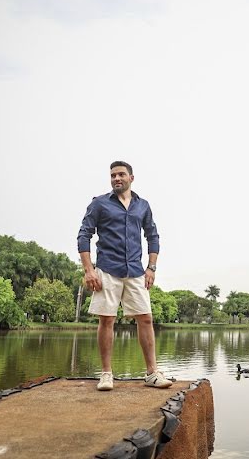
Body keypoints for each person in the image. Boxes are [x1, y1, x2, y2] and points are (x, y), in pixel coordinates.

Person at [77, 160, 172, 391]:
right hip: (108, 268)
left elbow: (153, 236)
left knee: (146, 318)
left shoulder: (143, 206)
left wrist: (151, 267)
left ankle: (151, 373)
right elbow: (84, 235)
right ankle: (107, 374)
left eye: (121, 174)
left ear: (131, 177)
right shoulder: (99, 204)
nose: (116, 178)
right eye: (112, 175)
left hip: (136, 271)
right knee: (107, 319)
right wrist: (89, 270)